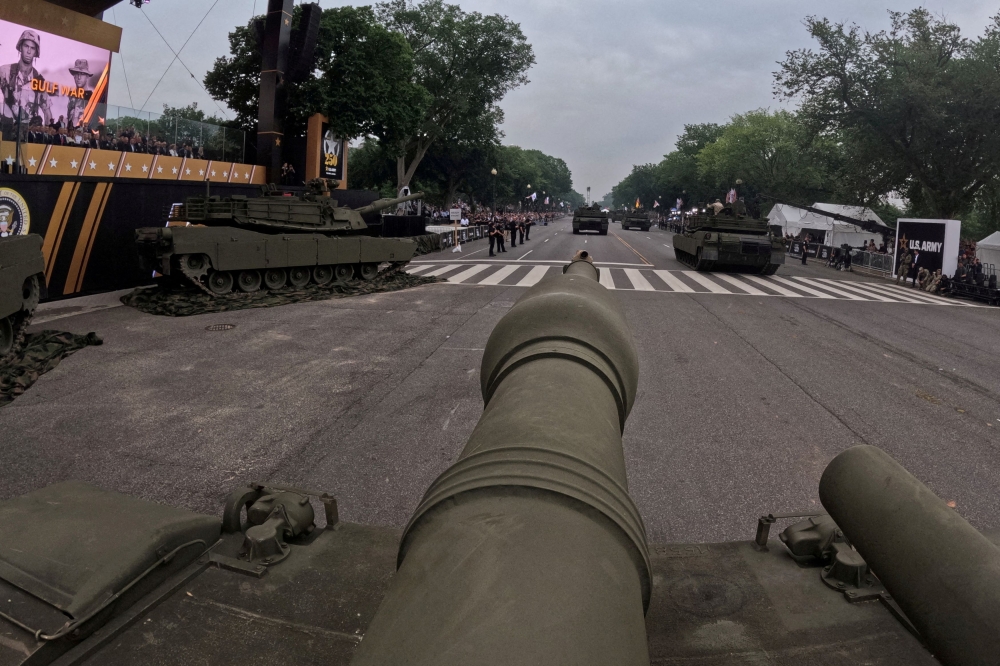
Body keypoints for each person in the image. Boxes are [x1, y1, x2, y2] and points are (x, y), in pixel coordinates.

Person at [0, 31, 52, 126]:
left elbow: (47, 112)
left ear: (36, 52)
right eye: (26, 46)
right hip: (7, 131)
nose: (28, 51)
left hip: (29, 134)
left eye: (32, 48)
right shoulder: (5, 72)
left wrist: (46, 134)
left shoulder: (39, 80)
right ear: (20, 47)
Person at [66, 60, 94, 129]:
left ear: (87, 76)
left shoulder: (92, 97)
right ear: (74, 76)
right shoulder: (71, 96)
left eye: (82, 74)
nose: (79, 77)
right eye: (76, 73)